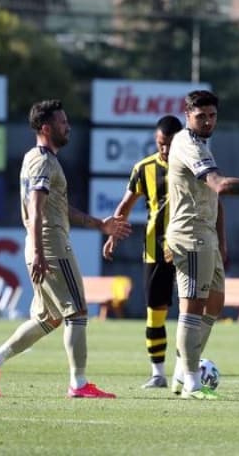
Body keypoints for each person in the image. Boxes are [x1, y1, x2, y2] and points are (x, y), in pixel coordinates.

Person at [0, 99, 132, 399]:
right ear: (46, 128)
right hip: (50, 244)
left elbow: (57, 206)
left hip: (42, 243)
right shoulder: (44, 161)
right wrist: (38, 251)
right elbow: (36, 207)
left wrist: (99, 224)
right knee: (78, 311)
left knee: (49, 318)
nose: (68, 127)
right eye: (62, 122)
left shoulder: (36, 158)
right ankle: (78, 384)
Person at [166, 89, 239, 400]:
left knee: (215, 303)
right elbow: (220, 186)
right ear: (187, 115)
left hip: (206, 235)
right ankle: (191, 381)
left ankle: (182, 369)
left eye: (212, 116)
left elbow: (214, 198)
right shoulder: (188, 143)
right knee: (193, 306)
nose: (208, 121)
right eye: (201, 116)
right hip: (191, 234)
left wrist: (221, 241)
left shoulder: (202, 144)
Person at [102, 115, 183, 389]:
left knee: (190, 311)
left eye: (170, 144)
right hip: (155, 249)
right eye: (161, 144)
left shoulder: (193, 165)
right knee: (155, 311)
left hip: (189, 247)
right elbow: (126, 204)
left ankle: (184, 370)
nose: (166, 149)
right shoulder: (143, 168)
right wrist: (113, 235)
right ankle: (158, 374)